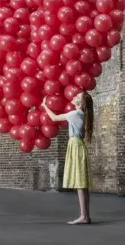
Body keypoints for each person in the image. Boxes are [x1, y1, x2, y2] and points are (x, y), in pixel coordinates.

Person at [41, 91, 94, 225]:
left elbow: (54, 118)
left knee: (80, 184)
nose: (74, 96)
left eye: (77, 97)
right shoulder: (81, 114)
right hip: (78, 145)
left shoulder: (75, 114)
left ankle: (83, 216)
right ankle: (86, 215)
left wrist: (44, 105)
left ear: (81, 103)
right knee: (82, 184)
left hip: (75, 146)